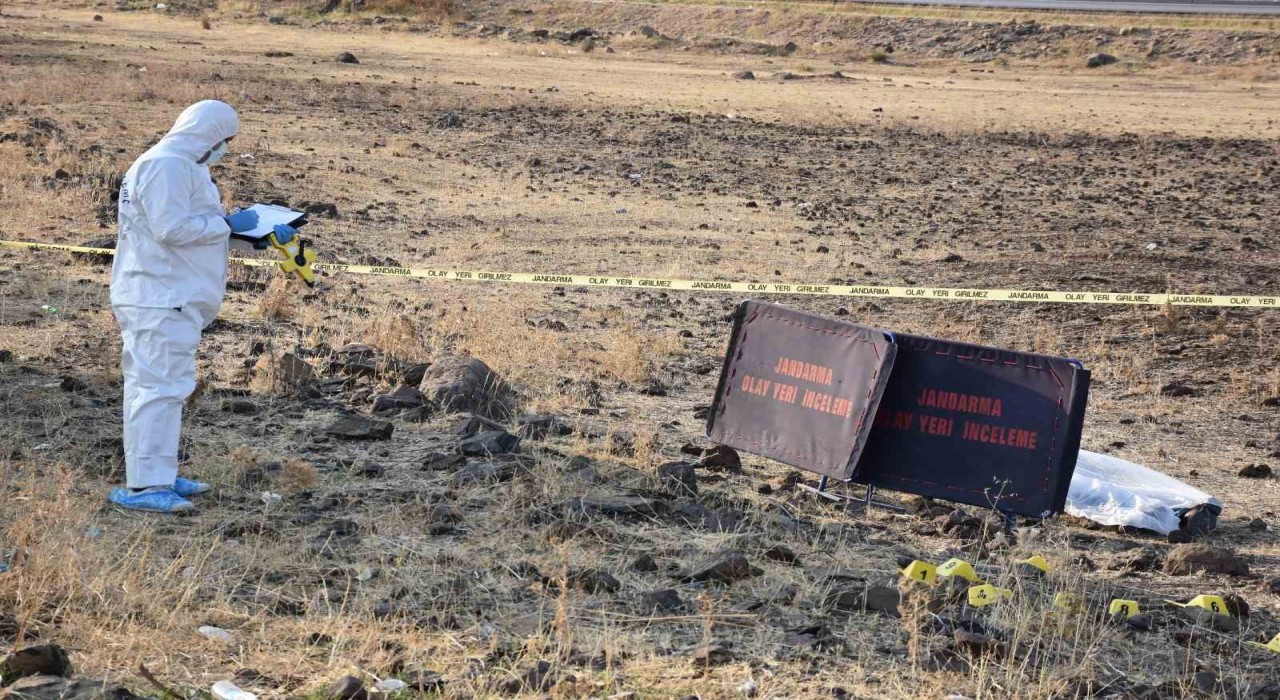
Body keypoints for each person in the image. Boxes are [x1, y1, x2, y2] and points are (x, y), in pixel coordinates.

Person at [109, 100, 296, 513]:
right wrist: (228, 225)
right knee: (159, 388)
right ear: (208, 133)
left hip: (172, 295)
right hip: (158, 295)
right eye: (226, 140)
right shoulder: (165, 165)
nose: (226, 148)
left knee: (160, 388)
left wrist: (249, 236)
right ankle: (146, 487)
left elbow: (198, 226)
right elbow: (170, 229)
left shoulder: (189, 166)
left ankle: (156, 473)